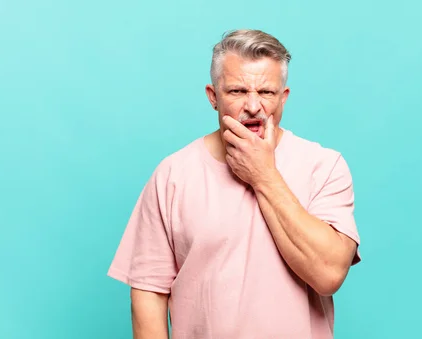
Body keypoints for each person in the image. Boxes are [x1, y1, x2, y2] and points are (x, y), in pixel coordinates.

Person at [107, 29, 361, 339]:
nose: (254, 106)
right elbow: (149, 293)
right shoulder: (172, 175)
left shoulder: (324, 167)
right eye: (238, 91)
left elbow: (329, 274)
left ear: (284, 98)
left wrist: (263, 175)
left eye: (266, 93)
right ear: (213, 97)